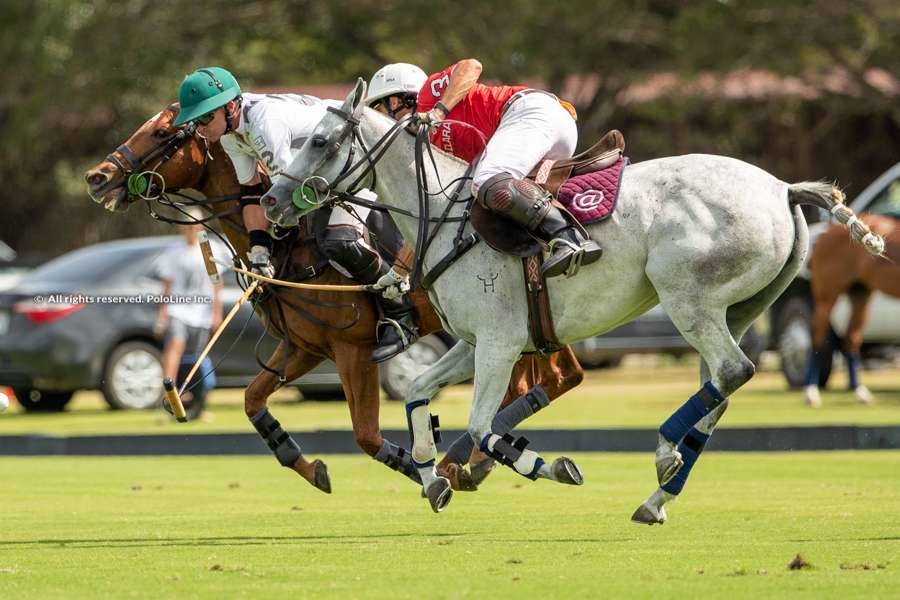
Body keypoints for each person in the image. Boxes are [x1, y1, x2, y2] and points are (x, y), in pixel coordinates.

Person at [172, 66, 417, 362]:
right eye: (196, 121)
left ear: (231, 106)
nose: (200, 127)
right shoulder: (230, 137)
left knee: (339, 241)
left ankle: (400, 312)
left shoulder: (265, 123)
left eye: (205, 117)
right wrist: (259, 249)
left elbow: (289, 199)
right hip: (320, 180)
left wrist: (272, 233)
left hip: (355, 165)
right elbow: (251, 194)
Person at [367, 60, 602, 278]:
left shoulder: (429, 93)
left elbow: (471, 66)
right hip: (537, 135)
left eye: (378, 110)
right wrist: (397, 275)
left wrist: (438, 111)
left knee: (485, 179)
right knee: (484, 200)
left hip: (531, 112)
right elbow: (431, 223)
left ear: (395, 101)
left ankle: (568, 236)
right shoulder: (427, 149)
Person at [155, 218, 223, 418]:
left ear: (200, 227)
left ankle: (199, 404)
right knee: (175, 346)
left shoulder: (208, 250)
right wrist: (162, 314)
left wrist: (216, 313)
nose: (191, 230)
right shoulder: (174, 251)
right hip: (178, 310)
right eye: (187, 226)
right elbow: (166, 285)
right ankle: (168, 399)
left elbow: (216, 283)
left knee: (199, 358)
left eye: (194, 226)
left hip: (201, 313)